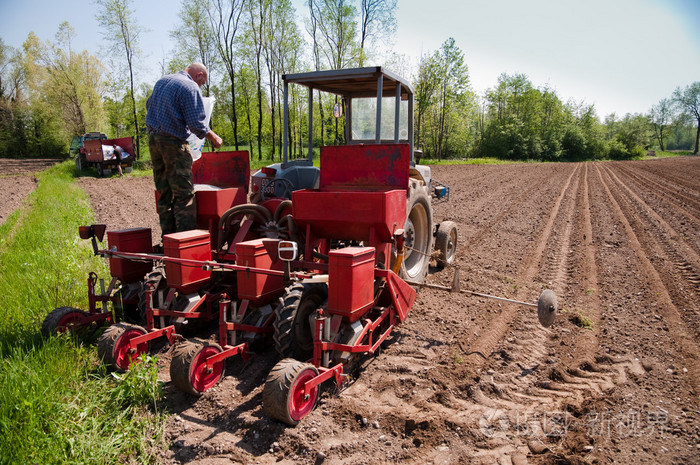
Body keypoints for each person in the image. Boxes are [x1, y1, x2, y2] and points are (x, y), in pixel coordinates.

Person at [145, 62, 223, 237]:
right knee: (184, 193)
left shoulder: (162, 81)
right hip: (173, 143)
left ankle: (168, 238)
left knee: (164, 191)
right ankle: (184, 242)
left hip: (154, 141)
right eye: (202, 83)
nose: (201, 86)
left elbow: (149, 106)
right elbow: (197, 124)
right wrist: (214, 138)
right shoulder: (190, 86)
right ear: (199, 75)